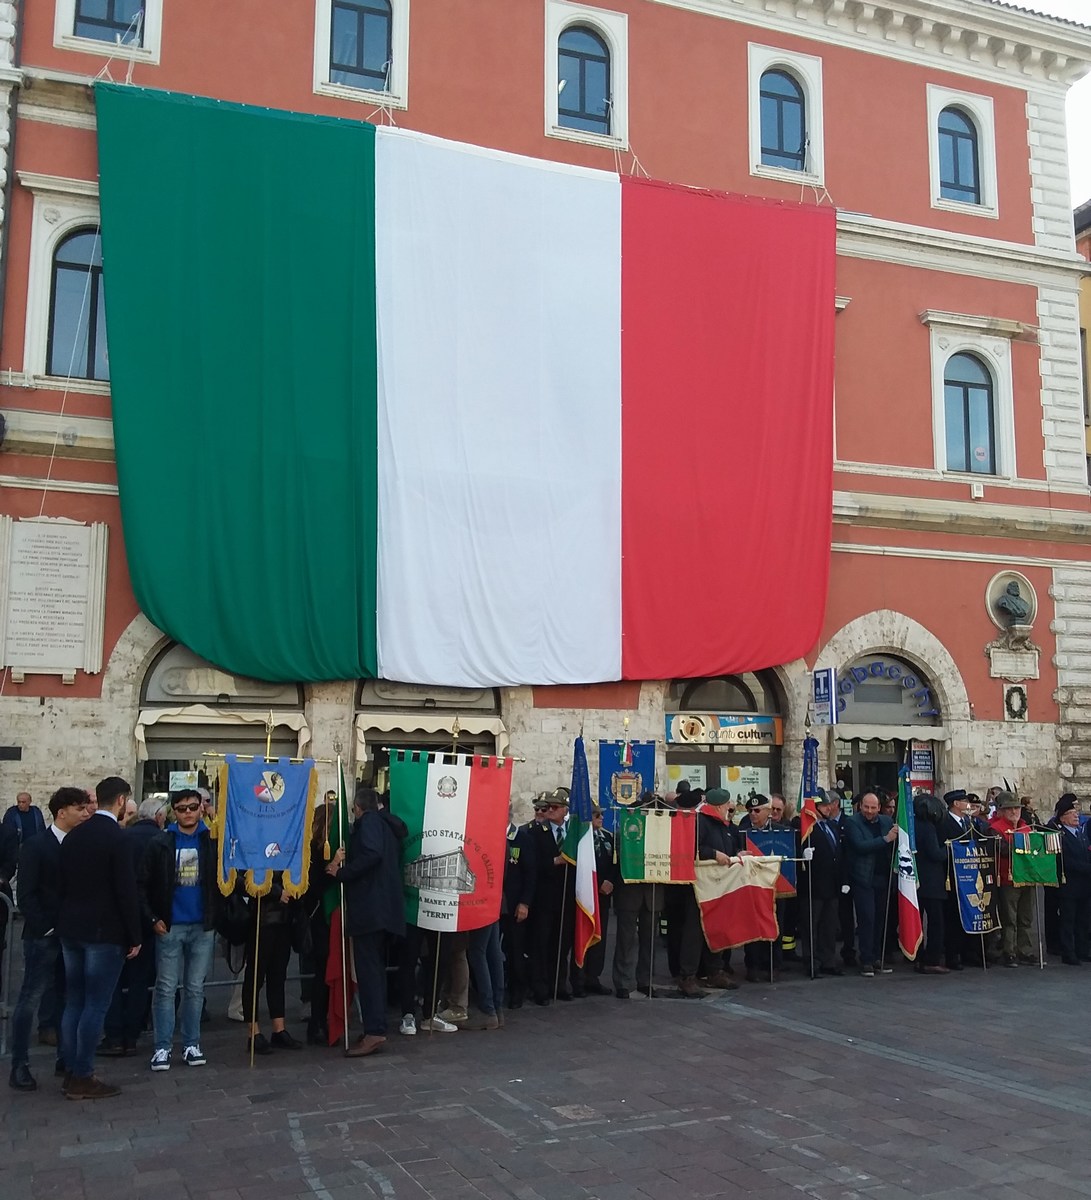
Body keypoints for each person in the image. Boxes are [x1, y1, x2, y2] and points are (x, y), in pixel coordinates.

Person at [56, 776, 142, 1100]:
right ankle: (82, 1075)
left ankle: (70, 1068)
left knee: (74, 1001)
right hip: (104, 933)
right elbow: (126, 891)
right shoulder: (118, 839)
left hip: (72, 929)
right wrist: (135, 935)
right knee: (95, 1005)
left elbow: (62, 883)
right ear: (121, 801)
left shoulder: (74, 836)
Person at [9, 787, 90, 1092]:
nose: (85, 814)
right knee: (31, 998)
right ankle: (19, 1064)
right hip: (43, 937)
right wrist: (46, 928)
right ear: (62, 812)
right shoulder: (36, 845)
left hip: (72, 937)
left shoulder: (81, 845)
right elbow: (26, 894)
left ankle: (65, 1058)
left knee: (67, 999)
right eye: (79, 808)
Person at [140, 789, 220, 1071]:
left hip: (202, 923)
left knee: (195, 988)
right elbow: (143, 884)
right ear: (174, 811)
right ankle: (162, 1046)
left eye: (193, 807)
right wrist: (152, 918)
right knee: (165, 987)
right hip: (169, 924)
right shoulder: (160, 842)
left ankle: (191, 1043)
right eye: (182, 808)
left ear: (201, 809)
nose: (188, 812)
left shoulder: (213, 840)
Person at [327, 787, 407, 1057]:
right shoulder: (388, 824)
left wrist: (342, 872)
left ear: (359, 808)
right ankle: (376, 1026)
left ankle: (375, 1030)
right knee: (374, 972)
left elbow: (372, 854)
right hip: (383, 909)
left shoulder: (371, 822)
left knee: (369, 972)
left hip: (370, 909)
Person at [100, 796, 169, 1056]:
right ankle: (132, 1033)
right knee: (141, 979)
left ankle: (115, 1034)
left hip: (121, 917)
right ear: (159, 817)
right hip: (150, 919)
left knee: (115, 979)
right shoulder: (161, 841)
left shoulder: (124, 839)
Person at [527, 791, 576, 1004]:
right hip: (545, 898)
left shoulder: (573, 833)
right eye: (549, 807)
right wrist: (554, 861)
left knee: (562, 943)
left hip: (567, 897)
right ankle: (540, 987)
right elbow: (533, 865)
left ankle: (559, 984)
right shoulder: (538, 832)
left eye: (556, 808)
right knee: (541, 943)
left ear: (565, 810)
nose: (550, 811)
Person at [843, 792, 898, 978]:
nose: (869, 811)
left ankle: (877, 957)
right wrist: (885, 839)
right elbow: (860, 846)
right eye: (866, 807)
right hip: (863, 878)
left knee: (881, 919)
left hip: (883, 877)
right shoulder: (852, 822)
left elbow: (895, 844)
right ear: (861, 806)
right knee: (867, 918)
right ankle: (866, 959)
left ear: (879, 808)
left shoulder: (885, 822)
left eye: (873, 808)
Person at [798, 790, 846, 979]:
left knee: (829, 926)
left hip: (831, 886)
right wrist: (803, 854)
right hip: (813, 885)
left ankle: (828, 961)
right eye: (825, 806)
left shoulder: (831, 827)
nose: (829, 809)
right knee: (811, 927)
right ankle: (811, 962)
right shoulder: (805, 827)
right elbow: (796, 849)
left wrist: (844, 881)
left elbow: (839, 855)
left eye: (829, 805)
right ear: (815, 808)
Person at [570, 805, 615, 997]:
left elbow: (616, 863)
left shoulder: (608, 837)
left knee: (600, 937)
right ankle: (578, 979)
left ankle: (593, 977)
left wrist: (611, 882)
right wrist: (595, 886)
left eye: (602, 815)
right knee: (583, 933)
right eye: (597, 815)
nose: (601, 818)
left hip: (604, 895)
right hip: (586, 894)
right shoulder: (580, 840)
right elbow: (579, 869)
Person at [989, 791, 1035, 967]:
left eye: (1017, 808)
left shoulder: (1025, 827)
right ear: (1002, 811)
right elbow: (1002, 849)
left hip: (1027, 877)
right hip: (1008, 879)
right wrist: (1022, 845)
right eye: (1010, 809)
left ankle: (1025, 950)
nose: (1014, 812)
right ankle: (1009, 951)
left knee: (1026, 917)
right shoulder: (995, 828)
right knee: (1009, 918)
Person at [500, 805, 536, 1009]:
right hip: (492, 905)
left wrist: (525, 903)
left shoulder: (521, 839)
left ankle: (517, 992)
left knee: (515, 950)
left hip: (514, 904)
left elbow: (530, 875)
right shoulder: (490, 835)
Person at [913, 793, 949, 975]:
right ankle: (931, 959)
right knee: (936, 922)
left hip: (915, 881)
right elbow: (935, 853)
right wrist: (949, 849)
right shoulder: (927, 828)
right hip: (932, 882)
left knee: (916, 922)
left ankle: (916, 956)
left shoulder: (911, 826)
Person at [1053, 796, 1091, 965]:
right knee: (1068, 920)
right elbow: (1066, 860)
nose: (1076, 816)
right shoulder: (1061, 836)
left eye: (1076, 812)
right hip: (1070, 885)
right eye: (1071, 813)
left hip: (1084, 885)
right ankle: (1069, 953)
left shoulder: (1081, 834)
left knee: (1083, 920)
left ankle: (1082, 950)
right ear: (1062, 818)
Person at [938, 790, 974, 970]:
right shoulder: (945, 822)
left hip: (967, 875)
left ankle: (967, 951)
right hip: (951, 875)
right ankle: (952, 955)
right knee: (952, 916)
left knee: (966, 913)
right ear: (955, 804)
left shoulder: (967, 822)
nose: (967, 803)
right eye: (964, 800)